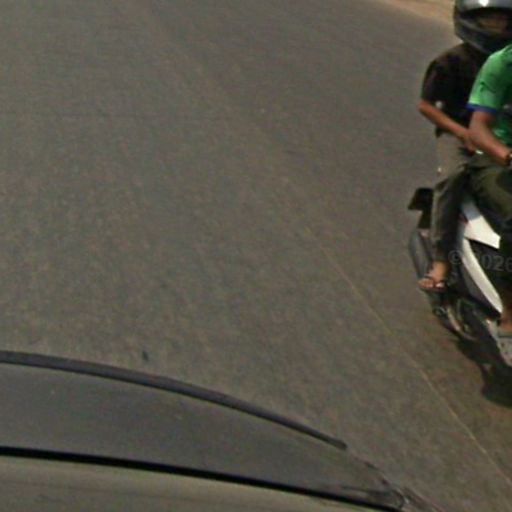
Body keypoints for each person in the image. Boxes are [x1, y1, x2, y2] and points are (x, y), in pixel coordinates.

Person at [417, 0, 512, 292]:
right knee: (453, 175)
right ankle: (441, 259)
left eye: (503, 21)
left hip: (498, 134)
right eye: (489, 21)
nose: (497, 28)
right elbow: (426, 105)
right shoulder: (451, 62)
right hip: (457, 132)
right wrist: (461, 132)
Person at [467, 20, 512, 336]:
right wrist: (507, 155)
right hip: (496, 159)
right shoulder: (502, 64)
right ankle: (510, 314)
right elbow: (478, 127)